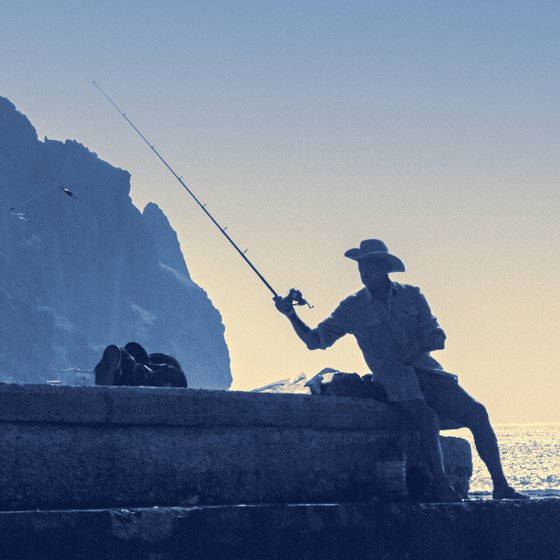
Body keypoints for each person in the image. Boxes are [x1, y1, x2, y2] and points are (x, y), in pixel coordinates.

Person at [274, 239, 527, 502]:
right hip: (393, 381)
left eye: (369, 263)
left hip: (429, 374)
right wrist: (290, 315)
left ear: (384, 267)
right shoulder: (352, 307)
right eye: (360, 265)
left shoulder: (412, 295)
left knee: (478, 412)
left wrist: (419, 343)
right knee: (426, 419)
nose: (363, 270)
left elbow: (438, 337)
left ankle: (501, 486)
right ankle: (442, 487)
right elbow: (315, 341)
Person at [94, 341, 187, 388]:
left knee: (133, 370)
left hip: (136, 374)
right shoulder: (164, 364)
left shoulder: (171, 372)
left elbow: (171, 372)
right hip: (140, 368)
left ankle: (112, 375)